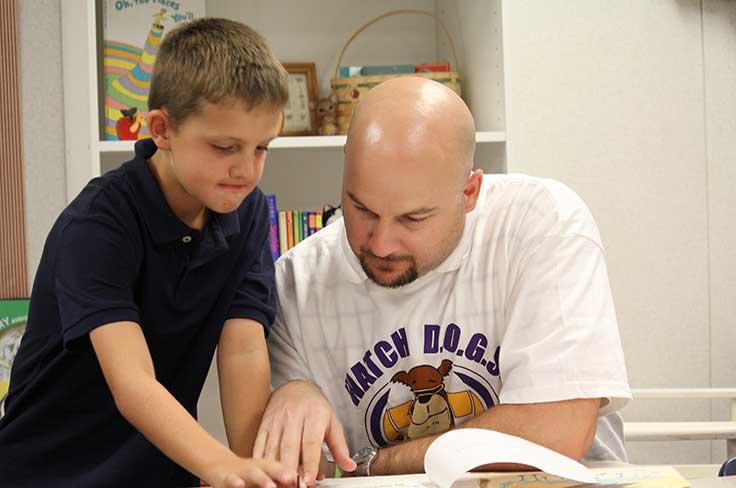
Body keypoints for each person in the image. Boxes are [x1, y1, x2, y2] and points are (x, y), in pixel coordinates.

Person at [257, 77, 631, 483]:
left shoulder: (543, 223)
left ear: (469, 192)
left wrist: (371, 466)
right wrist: (292, 391)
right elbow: (293, 468)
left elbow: (556, 431)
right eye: (361, 208)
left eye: (413, 218)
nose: (381, 244)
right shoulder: (297, 282)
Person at [0, 18, 297, 488]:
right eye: (225, 147)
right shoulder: (98, 224)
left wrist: (251, 468)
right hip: (49, 473)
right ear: (161, 128)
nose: (246, 169)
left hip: (158, 471)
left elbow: (242, 348)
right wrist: (220, 464)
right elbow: (133, 383)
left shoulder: (248, 212)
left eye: (262, 147)